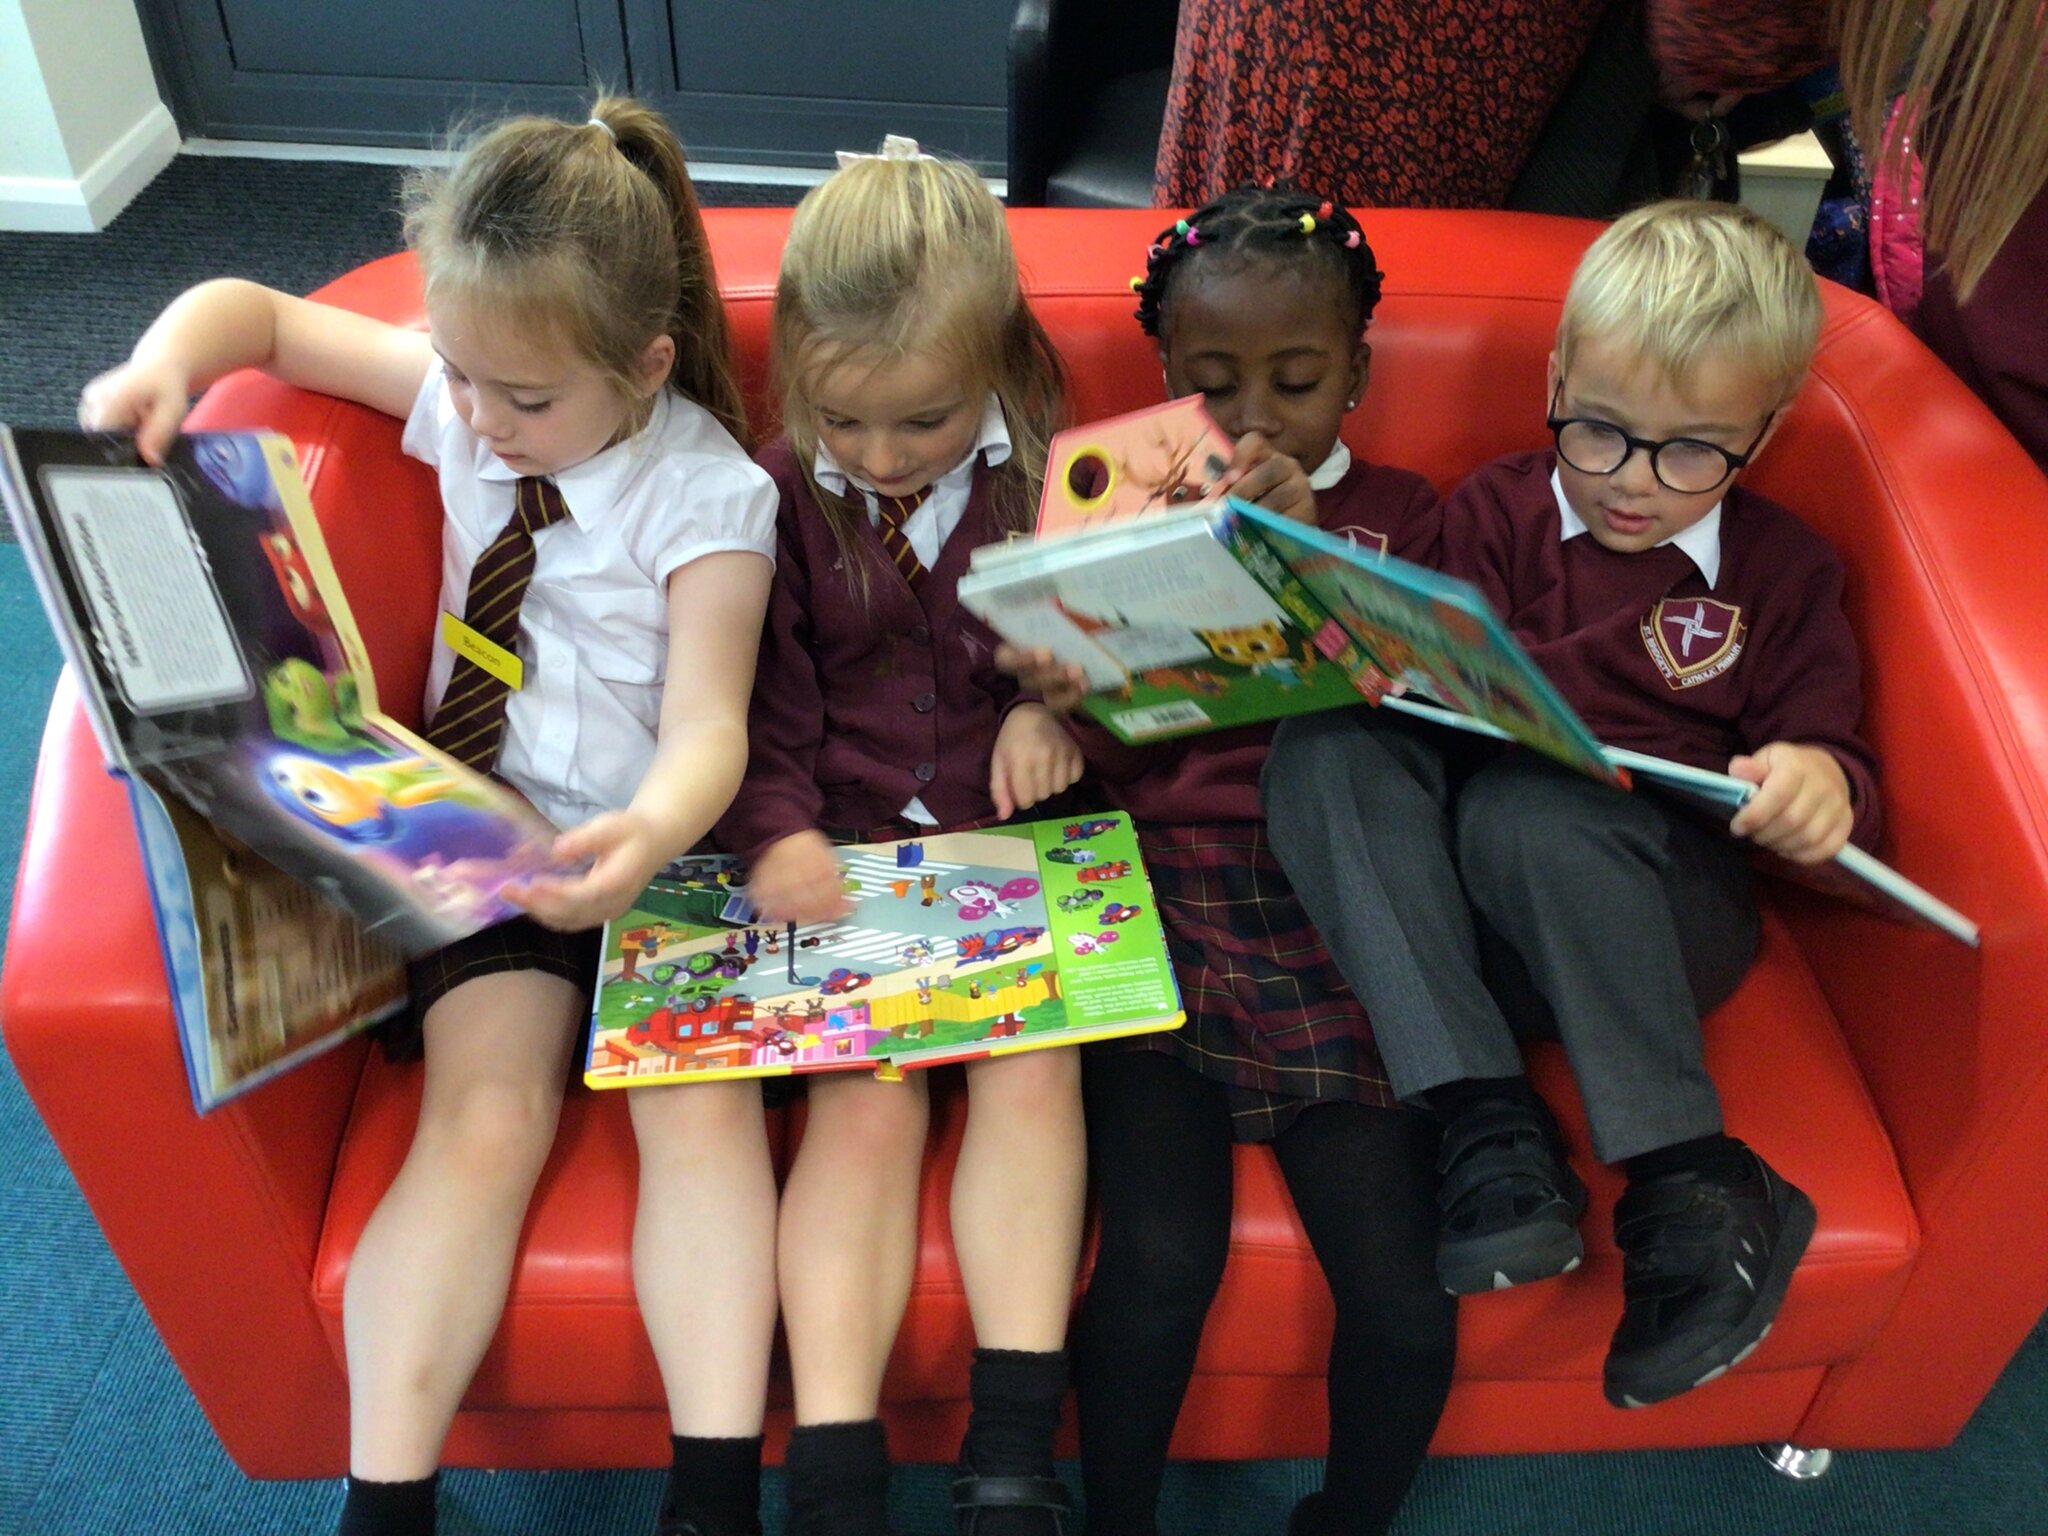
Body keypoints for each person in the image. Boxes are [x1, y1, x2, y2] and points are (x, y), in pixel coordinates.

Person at [80, 99, 782, 1536]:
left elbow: (711, 724)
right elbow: (257, 316)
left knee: (700, 1121)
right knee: (480, 1112)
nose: (476, 421)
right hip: (492, 834)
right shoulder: (469, 398)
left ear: (644, 368)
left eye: (523, 400)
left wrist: (644, 838)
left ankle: (713, 1497)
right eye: (462, 378)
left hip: (671, 849)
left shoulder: (708, 491)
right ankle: (386, 1498)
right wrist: (161, 367)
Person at [1262, 199, 1881, 1410]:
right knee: (1325, 745)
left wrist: (1814, 783)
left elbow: (1834, 763)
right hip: (1469, 943)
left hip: (1650, 915)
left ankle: (1691, 1180)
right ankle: (1488, 1124)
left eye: (1692, 450)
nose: (1632, 484)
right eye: (1597, 431)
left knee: (1531, 814)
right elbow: (1408, 722)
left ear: (1767, 425)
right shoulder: (1489, 514)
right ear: (1554, 378)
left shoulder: (1782, 572)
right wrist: (1368, 662)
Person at [1006, 185, 1456, 1536]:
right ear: (1165, 382)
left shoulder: (1408, 518)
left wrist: (1302, 548)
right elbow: (1122, 760)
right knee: (1150, 1261)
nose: (1256, 420)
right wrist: (1057, 690)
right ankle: (1119, 1518)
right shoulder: (1118, 505)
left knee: (1401, 1289)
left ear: (1359, 373)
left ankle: (1352, 1518)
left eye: (1299, 381)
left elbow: (1421, 729)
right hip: (1159, 893)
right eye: (1213, 386)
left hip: (1338, 907)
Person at [710, 143, 1083, 1536]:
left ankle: (1012, 1448)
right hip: (846, 843)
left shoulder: (1061, 466)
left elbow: (1118, 650)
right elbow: (755, 711)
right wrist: (781, 836)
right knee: (864, 1108)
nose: (876, 458)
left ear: (993, 360)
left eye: (920, 423)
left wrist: (1057, 713)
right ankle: (838, 1467)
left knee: (1034, 1080)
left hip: (1012, 840)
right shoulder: (771, 494)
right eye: (842, 422)